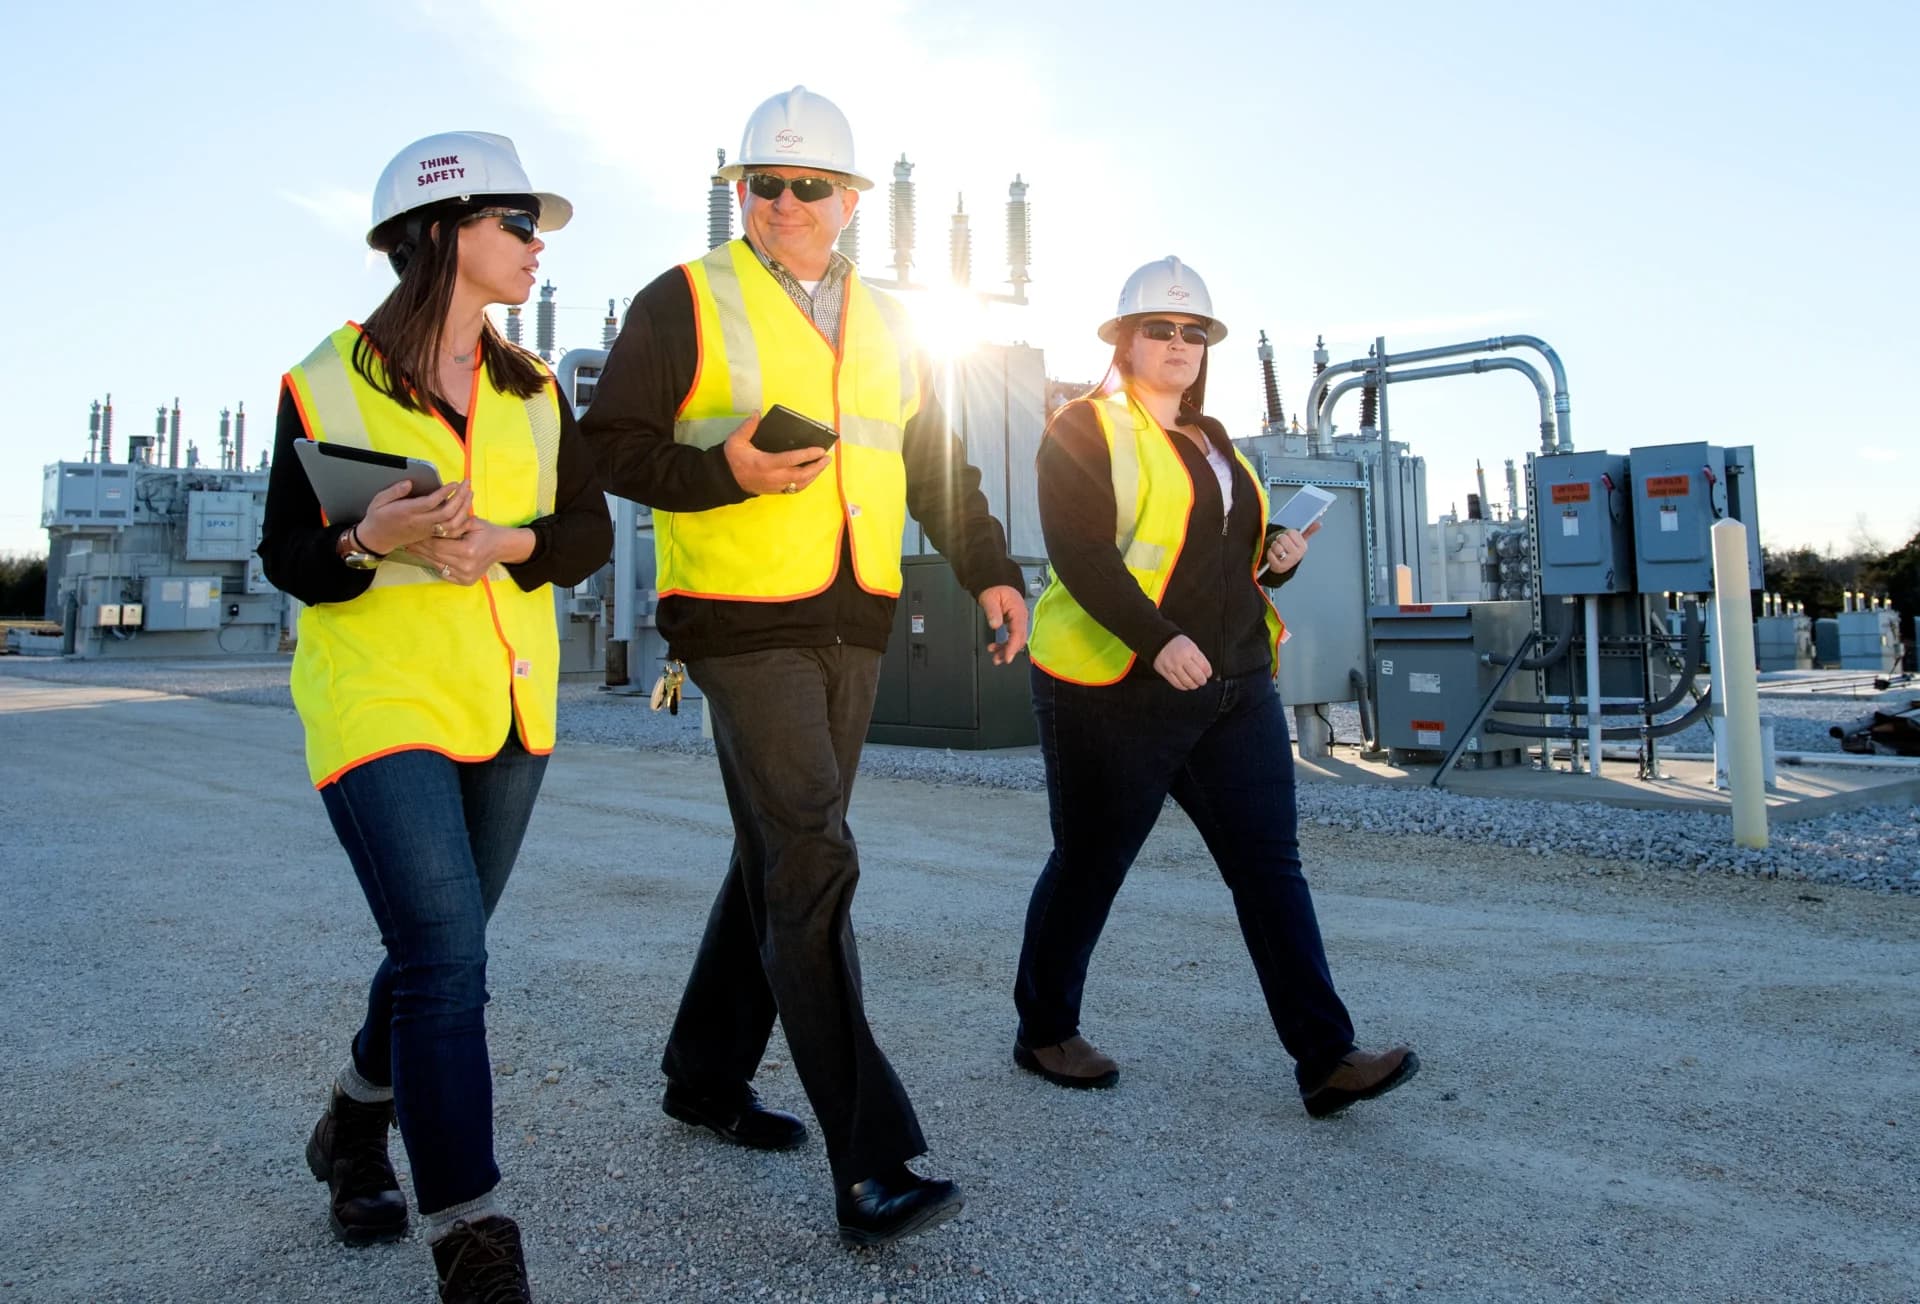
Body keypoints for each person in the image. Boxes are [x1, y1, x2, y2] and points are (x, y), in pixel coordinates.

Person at [580, 86, 1029, 1247]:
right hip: (738, 620)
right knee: (817, 853)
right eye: (764, 185)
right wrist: (723, 467)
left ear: (851, 202)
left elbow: (935, 463)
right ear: (741, 192)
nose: (784, 204)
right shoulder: (683, 299)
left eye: (808, 186)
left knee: (778, 849)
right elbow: (610, 449)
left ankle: (703, 1072)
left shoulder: (888, 319)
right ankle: (870, 1158)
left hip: (857, 614)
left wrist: (988, 567)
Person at [257, 131, 611, 1304]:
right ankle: (475, 1238)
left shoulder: (537, 388)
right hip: (380, 697)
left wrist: (506, 543)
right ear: (441, 230)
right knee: (450, 958)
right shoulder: (326, 377)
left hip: (509, 701)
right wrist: (372, 538)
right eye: (516, 222)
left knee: (430, 953)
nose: (534, 242)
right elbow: (291, 557)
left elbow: (587, 538)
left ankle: (353, 1127)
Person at [1012, 256, 1419, 1119]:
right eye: (1159, 328)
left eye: (1193, 331)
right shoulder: (1081, 428)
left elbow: (1216, 555)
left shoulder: (1215, 437)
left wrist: (1276, 552)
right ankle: (1044, 1029)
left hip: (1233, 685)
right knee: (1090, 862)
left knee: (1270, 868)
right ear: (1122, 339)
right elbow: (1081, 556)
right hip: (1115, 686)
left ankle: (1326, 1058)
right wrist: (1158, 642)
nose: (1178, 343)